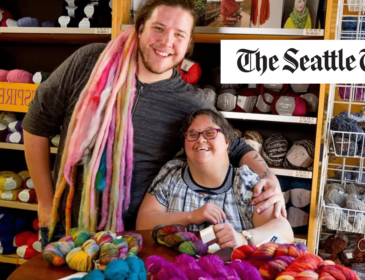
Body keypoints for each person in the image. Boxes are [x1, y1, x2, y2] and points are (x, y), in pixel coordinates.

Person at [22, 0, 285, 248]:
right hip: (66, 225)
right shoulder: (91, 62)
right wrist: (46, 203)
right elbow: (36, 124)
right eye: (158, 28)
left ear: (188, 43)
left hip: (137, 238)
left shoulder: (189, 101)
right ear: (139, 28)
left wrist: (269, 177)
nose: (166, 42)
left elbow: (234, 146)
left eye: (179, 35)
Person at [136, 109, 293, 249]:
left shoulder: (245, 182)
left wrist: (244, 238)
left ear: (227, 142)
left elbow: (284, 231)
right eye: (192, 134)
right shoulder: (171, 174)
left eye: (210, 133)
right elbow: (143, 223)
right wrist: (191, 216)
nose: (200, 139)